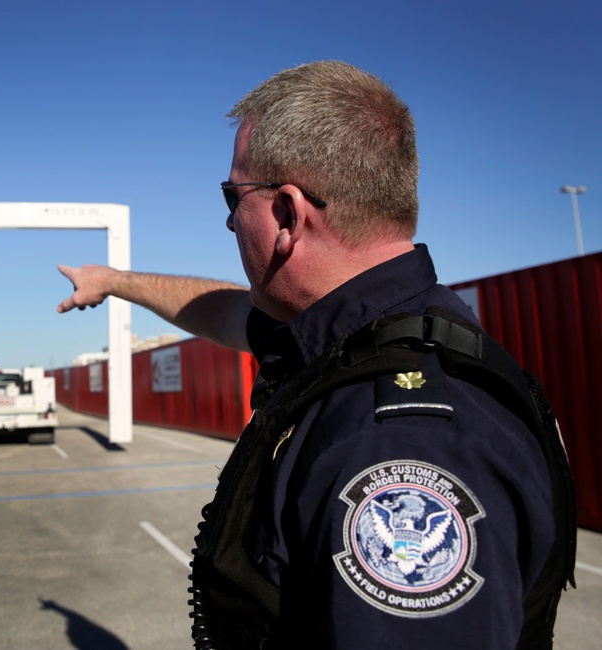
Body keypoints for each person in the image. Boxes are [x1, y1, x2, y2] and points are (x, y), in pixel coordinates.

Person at [57, 61, 573, 648]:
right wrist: (113, 280)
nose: (228, 221)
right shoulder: (371, 328)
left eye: (232, 196)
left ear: (285, 213)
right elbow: (226, 313)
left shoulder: (396, 446)